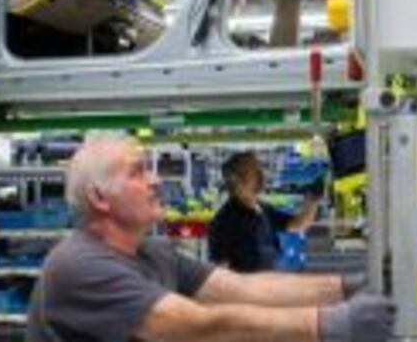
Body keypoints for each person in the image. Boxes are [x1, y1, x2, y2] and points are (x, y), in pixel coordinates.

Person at [26, 137, 394, 342]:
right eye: (139, 173)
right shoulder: (79, 265)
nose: (156, 181)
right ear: (100, 198)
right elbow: (193, 325)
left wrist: (347, 286)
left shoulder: (153, 252)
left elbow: (241, 288)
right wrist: (326, 325)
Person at [209, 150, 321, 273]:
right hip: (246, 288)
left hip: (268, 284)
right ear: (235, 182)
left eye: (259, 173)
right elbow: (222, 271)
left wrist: (313, 199)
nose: (260, 180)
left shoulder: (264, 209)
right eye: (251, 176)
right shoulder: (223, 222)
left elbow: (297, 225)